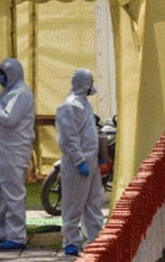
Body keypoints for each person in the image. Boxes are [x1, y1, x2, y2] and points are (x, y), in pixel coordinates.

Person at [0, 57, 35, 250]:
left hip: (13, 152)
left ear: (12, 74)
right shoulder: (9, 92)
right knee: (2, 195)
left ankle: (17, 237)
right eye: (0, 73)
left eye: (4, 74)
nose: (1, 77)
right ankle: (3, 233)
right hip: (3, 152)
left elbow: (8, 119)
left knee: (13, 194)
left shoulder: (21, 94)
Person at [55, 69, 105, 257]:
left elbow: (88, 133)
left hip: (90, 162)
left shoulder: (84, 104)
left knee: (93, 203)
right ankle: (70, 242)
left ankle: (94, 239)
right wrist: (79, 160)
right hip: (77, 165)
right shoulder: (70, 106)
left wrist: (98, 154)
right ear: (85, 83)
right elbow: (68, 138)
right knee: (73, 204)